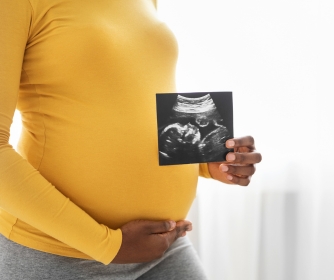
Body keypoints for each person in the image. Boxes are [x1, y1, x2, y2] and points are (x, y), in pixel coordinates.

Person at [0, 0, 262, 279]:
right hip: (59, 253)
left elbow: (131, 98)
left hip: (164, 243)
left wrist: (203, 156)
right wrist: (108, 245)